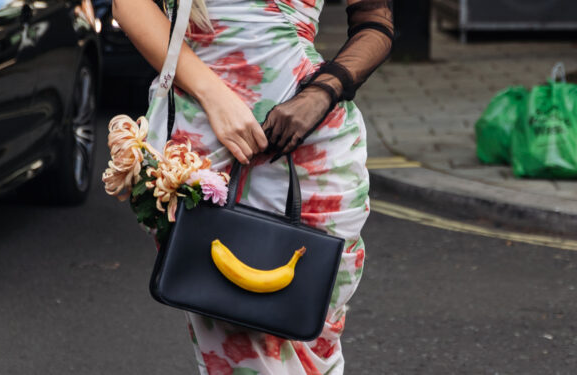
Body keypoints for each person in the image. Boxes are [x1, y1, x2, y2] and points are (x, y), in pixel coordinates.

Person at [113, 0, 393, 373]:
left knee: (312, 335)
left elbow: (375, 23)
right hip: (206, 153)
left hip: (316, 150)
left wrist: (320, 93)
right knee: (240, 342)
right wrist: (215, 96)